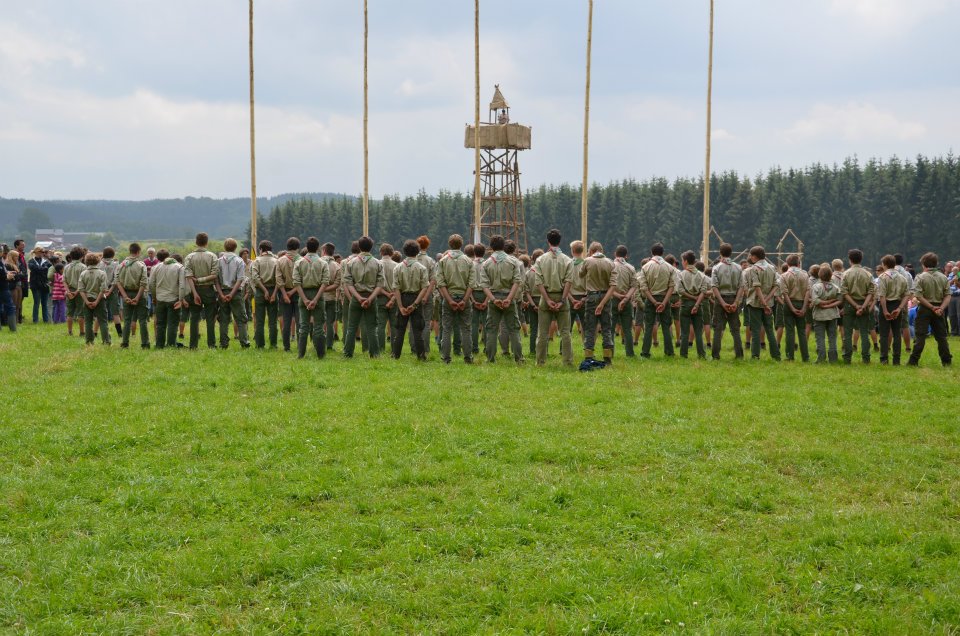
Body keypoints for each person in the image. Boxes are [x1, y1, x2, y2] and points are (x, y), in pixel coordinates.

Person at [532, 229, 574, 366]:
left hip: (546, 297)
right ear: (560, 241)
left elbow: (539, 282)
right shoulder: (568, 260)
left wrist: (548, 299)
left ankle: (540, 362)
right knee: (565, 333)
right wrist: (562, 299)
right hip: (562, 296)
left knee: (542, 333)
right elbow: (569, 282)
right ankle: (567, 361)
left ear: (548, 241)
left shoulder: (540, 259)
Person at [480, 234, 524, 364]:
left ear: (491, 247)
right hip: (508, 297)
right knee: (514, 329)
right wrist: (509, 299)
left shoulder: (486, 263)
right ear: (503, 246)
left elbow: (484, 285)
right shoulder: (513, 261)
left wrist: (493, 300)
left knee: (492, 330)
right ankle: (519, 358)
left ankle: (490, 358)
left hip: (494, 298)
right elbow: (517, 281)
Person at [342, 235, 386, 358]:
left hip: (356, 297)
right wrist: (370, 298)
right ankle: (375, 354)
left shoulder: (350, 263)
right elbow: (380, 284)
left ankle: (347, 353)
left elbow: (348, 283)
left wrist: (358, 297)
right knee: (372, 327)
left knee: (351, 327)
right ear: (371, 247)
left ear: (359, 247)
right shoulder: (377, 263)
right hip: (371, 297)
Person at [435, 234, 476, 364]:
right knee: (466, 329)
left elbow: (440, 283)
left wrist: (449, 300)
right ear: (461, 244)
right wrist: (465, 299)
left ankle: (446, 357)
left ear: (449, 244)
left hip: (449, 297)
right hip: (464, 295)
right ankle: (468, 357)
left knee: (446, 329)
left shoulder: (443, 261)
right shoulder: (469, 261)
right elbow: (472, 283)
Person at [907, 252, 952, 367]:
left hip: (925, 309)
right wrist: (941, 308)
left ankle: (913, 361)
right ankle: (946, 361)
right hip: (939, 309)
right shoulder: (943, 277)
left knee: (920, 336)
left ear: (923, 264)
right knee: (941, 337)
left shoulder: (920, 277)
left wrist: (931, 307)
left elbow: (918, 296)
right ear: (936, 264)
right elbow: (948, 295)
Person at [579, 241, 616, 366]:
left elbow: (580, 274)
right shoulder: (611, 263)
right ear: (602, 250)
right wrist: (602, 303)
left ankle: (589, 357)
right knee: (606, 328)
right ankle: (608, 359)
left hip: (591, 297)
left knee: (590, 328)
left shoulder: (588, 261)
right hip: (606, 297)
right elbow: (613, 286)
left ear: (590, 251)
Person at [391, 240, 430, 360]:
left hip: (402, 297)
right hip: (416, 297)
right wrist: (415, 304)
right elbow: (424, 287)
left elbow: (396, 288)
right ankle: (421, 356)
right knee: (417, 329)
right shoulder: (422, 268)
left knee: (399, 329)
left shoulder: (397, 267)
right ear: (418, 251)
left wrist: (400, 305)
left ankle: (395, 355)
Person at [293, 236, 330, 359]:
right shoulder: (323, 263)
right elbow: (325, 282)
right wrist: (315, 299)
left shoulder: (299, 263)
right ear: (318, 248)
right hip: (318, 294)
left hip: (303, 293)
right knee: (319, 327)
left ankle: (301, 354)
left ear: (306, 247)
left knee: (303, 326)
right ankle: (321, 355)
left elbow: (296, 283)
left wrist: (304, 299)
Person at [182, 232, 220, 349]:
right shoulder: (213, 256)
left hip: (194, 289)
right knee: (210, 318)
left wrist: (194, 292)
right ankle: (211, 344)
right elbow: (214, 275)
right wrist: (201, 280)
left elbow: (188, 276)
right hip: (208, 289)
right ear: (206, 242)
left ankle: (193, 345)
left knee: (194, 318)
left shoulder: (189, 257)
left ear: (196, 242)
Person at [638, 243, 676, 358]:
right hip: (665, 298)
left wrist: (654, 302)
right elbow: (672, 286)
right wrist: (664, 302)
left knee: (649, 326)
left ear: (651, 253)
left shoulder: (645, 267)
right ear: (662, 253)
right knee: (666, 326)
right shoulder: (670, 267)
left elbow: (643, 288)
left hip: (650, 298)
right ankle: (669, 352)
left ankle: (645, 352)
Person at [744, 245, 781, 361]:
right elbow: (776, 285)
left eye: (751, 255)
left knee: (755, 330)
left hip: (755, 302)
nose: (750, 257)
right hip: (769, 303)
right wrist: (767, 300)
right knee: (769, 329)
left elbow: (757, 287)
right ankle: (776, 356)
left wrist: (763, 302)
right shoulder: (772, 267)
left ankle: (755, 356)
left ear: (754, 257)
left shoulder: (753, 269)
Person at [839, 248, 875, 364]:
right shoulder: (868, 274)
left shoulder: (846, 274)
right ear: (861, 259)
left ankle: (847, 358)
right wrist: (863, 306)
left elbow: (844, 292)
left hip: (850, 304)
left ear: (850, 260)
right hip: (864, 303)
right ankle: (866, 358)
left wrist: (854, 305)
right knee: (864, 332)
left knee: (848, 332)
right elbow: (871, 292)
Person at [711, 243, 745, 359]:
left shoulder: (716, 268)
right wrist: (736, 302)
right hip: (734, 297)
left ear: (720, 253)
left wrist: (722, 303)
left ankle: (715, 356)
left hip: (720, 299)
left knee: (718, 328)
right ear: (731, 253)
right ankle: (739, 355)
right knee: (735, 329)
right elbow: (741, 287)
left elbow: (714, 287)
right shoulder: (738, 267)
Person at [875, 254, 909, 365]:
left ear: (884, 265)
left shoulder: (882, 277)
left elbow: (882, 296)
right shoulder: (902, 277)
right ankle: (896, 360)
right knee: (897, 333)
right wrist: (899, 308)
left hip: (886, 304)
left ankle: (884, 359)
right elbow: (906, 295)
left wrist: (884, 310)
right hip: (897, 305)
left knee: (884, 334)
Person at [215, 238, 250, 349]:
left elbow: (216, 280)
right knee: (241, 318)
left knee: (223, 319)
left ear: (224, 247)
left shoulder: (218, 261)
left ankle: (223, 343)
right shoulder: (239, 261)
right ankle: (244, 342)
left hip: (222, 291)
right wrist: (232, 293)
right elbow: (240, 279)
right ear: (235, 248)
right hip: (236, 292)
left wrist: (221, 294)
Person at [115, 243, 150, 349]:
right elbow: (144, 282)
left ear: (129, 251)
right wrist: (137, 297)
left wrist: (125, 296)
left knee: (127, 320)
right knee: (142, 320)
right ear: (138, 252)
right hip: (139, 293)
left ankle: (125, 343)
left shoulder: (121, 265)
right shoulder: (141, 265)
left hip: (126, 293)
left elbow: (117, 281)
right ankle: (145, 344)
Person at [148, 249, 182, 349]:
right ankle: (171, 344)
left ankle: (159, 344)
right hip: (173, 298)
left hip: (160, 299)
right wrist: (181, 298)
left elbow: (151, 284)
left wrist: (154, 297)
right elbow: (182, 285)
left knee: (160, 323)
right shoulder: (178, 267)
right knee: (173, 323)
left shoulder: (155, 268)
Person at [677, 250, 708, 359]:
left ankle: (683, 354)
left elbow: (680, 291)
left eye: (682, 260)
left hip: (685, 304)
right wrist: (696, 304)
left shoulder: (681, 274)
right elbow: (703, 292)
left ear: (685, 261)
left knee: (684, 332)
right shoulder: (701, 275)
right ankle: (701, 354)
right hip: (698, 304)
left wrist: (691, 297)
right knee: (698, 332)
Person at [780, 254, 810, 362]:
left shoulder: (784, 276)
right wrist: (804, 307)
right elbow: (808, 291)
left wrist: (792, 308)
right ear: (798, 263)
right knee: (802, 331)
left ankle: (789, 356)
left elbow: (785, 293)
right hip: (802, 303)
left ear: (787, 264)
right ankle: (805, 357)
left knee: (789, 331)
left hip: (789, 304)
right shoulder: (805, 274)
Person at [250, 240, 279, 349]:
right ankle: (273, 344)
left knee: (259, 320)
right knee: (272, 321)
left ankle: (260, 344)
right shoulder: (277, 261)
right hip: (273, 290)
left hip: (260, 291)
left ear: (260, 249)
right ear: (271, 249)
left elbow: (255, 278)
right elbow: (279, 280)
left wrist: (264, 291)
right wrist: (273, 293)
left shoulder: (256, 261)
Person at [77, 252, 111, 345]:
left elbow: (81, 289)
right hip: (99, 300)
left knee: (88, 322)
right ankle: (106, 341)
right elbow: (103, 289)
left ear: (86, 261)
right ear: (98, 261)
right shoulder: (102, 273)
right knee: (103, 321)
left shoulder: (83, 273)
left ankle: (89, 341)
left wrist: (87, 301)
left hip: (87, 299)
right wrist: (96, 301)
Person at [274, 237, 301, 352]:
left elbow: (278, 279)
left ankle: (286, 347)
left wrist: (285, 294)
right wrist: (293, 291)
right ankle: (301, 345)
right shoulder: (302, 260)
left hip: (284, 293)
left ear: (287, 246)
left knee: (286, 321)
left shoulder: (280, 260)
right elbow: (302, 279)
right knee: (300, 321)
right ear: (298, 247)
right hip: (299, 292)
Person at [810, 264, 841, 363]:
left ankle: (821, 358)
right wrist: (830, 303)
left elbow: (815, 301)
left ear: (819, 275)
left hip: (819, 315)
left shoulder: (816, 287)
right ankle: (833, 359)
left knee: (820, 337)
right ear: (831, 275)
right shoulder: (836, 287)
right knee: (832, 337)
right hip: (832, 314)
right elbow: (840, 300)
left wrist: (824, 304)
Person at [610, 246, 638, 358]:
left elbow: (607, 285)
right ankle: (630, 353)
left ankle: (609, 353)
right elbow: (634, 286)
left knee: (610, 329)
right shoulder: (631, 268)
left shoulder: (610, 266)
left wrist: (617, 295)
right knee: (627, 329)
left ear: (614, 254)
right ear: (626, 256)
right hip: (627, 301)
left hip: (612, 300)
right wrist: (626, 298)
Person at [376, 243, 398, 354]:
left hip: (380, 297)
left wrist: (385, 293)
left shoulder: (377, 264)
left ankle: (380, 349)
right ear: (392, 253)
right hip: (395, 297)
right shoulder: (397, 266)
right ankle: (394, 350)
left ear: (381, 252)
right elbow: (399, 285)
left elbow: (375, 284)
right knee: (394, 325)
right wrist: (392, 296)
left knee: (380, 325)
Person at [319, 242, 341, 351]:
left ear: (323, 251)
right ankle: (329, 345)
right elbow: (337, 284)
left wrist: (321, 289)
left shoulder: (317, 263)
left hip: (319, 297)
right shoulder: (337, 265)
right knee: (330, 323)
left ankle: (319, 343)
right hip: (332, 297)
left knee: (319, 322)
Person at [99, 246, 122, 338]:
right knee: (115, 313)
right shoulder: (116, 264)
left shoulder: (99, 264)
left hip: (101, 290)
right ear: (113, 254)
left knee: (100, 312)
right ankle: (120, 333)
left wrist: (103, 291)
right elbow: (116, 279)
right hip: (112, 290)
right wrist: (110, 290)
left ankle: (95, 333)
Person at [468, 243, 488, 356]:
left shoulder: (470, 264)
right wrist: (486, 301)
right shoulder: (487, 264)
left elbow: (469, 283)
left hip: (473, 293)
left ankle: (474, 348)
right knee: (486, 323)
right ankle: (486, 346)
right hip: (486, 293)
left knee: (474, 323)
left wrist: (472, 300)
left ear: (474, 252)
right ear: (484, 252)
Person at [63, 246, 86, 337]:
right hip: (80, 291)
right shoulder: (83, 267)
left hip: (70, 291)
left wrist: (68, 291)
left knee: (69, 313)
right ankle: (82, 332)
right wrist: (77, 292)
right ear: (82, 256)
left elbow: (64, 280)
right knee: (81, 313)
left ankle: (69, 331)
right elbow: (82, 282)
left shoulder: (67, 266)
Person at [28, 247, 51, 323]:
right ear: (36, 252)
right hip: (35, 285)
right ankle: (35, 320)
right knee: (36, 303)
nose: (42, 253)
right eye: (40, 252)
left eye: (43, 252)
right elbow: (34, 268)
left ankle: (46, 320)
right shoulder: (31, 261)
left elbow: (50, 268)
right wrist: (43, 268)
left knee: (45, 303)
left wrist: (40, 268)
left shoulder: (46, 261)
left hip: (45, 284)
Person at [1, 249, 20, 331]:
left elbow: (2, 272)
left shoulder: (1, 262)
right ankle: (13, 328)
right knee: (10, 307)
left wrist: (7, 273)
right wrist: (6, 277)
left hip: (4, 287)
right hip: (3, 288)